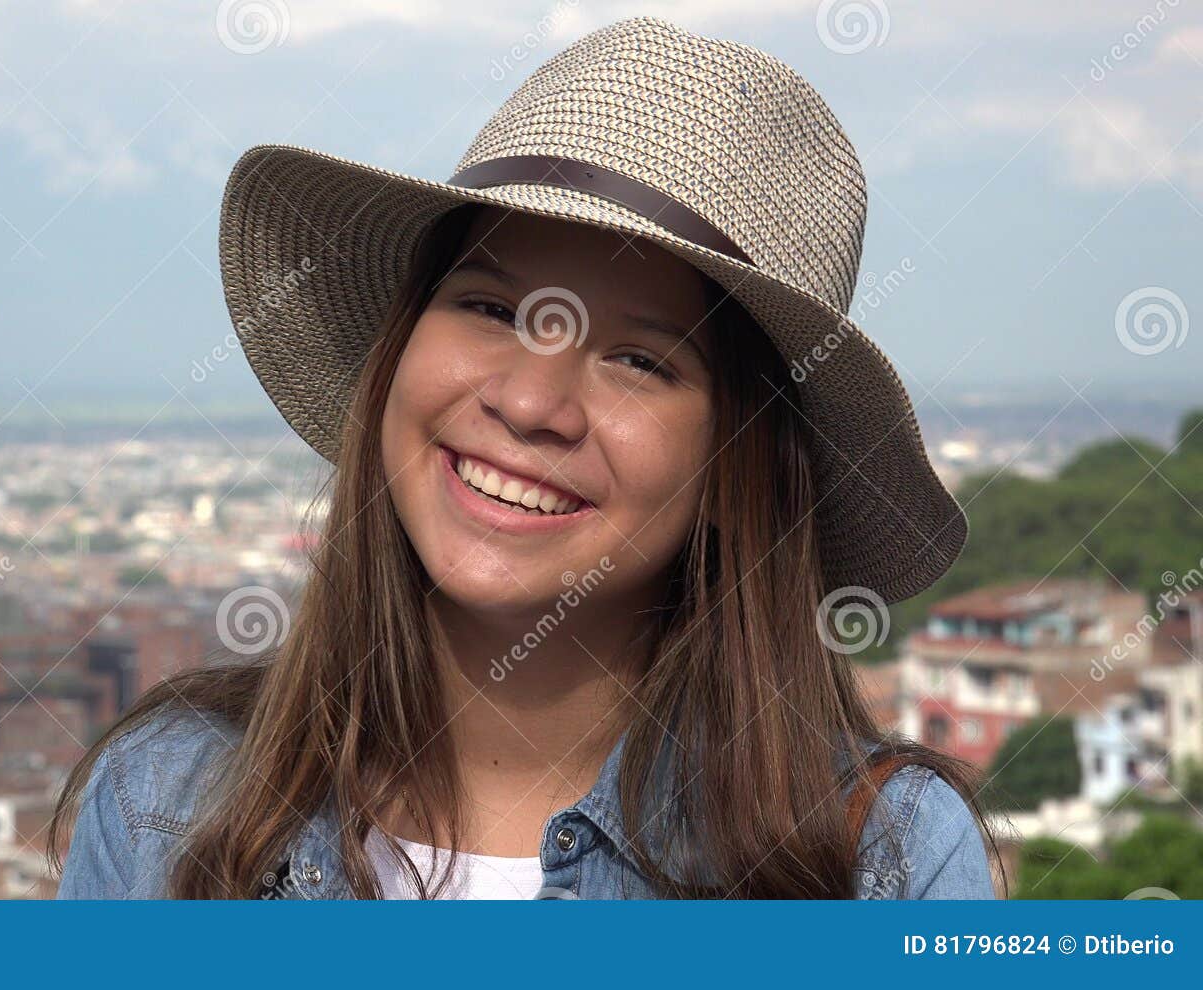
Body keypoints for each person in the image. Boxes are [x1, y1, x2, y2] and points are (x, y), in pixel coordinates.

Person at [52, 16, 999, 900]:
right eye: (490, 308)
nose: (529, 401)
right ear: (397, 355)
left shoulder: (885, 860)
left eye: (640, 359)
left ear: (737, 467)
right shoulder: (164, 805)